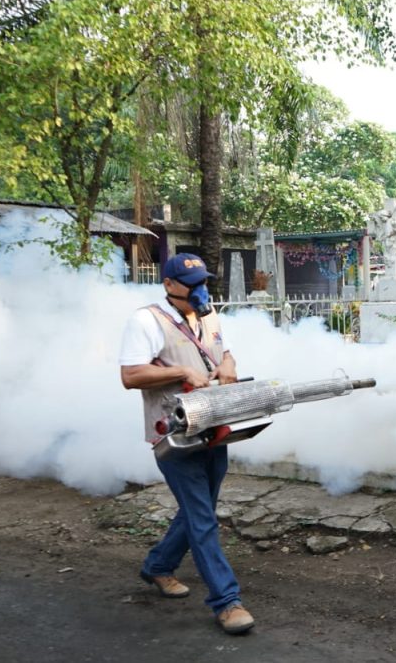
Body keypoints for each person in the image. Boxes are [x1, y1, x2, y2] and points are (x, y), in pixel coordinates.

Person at [118, 253, 254, 635]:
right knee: (202, 517)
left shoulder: (208, 314)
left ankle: (158, 567)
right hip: (174, 435)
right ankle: (226, 602)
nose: (201, 290)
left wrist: (228, 364)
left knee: (200, 509)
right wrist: (180, 371)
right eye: (192, 284)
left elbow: (222, 351)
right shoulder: (145, 320)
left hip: (213, 423)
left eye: (204, 281)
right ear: (169, 285)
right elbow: (130, 375)